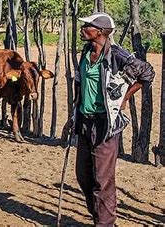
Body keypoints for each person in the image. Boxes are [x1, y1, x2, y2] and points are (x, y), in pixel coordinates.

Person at [61, 12, 154, 226]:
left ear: (101, 32)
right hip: (84, 119)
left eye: (88, 27)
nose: (83, 29)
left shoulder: (116, 55)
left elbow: (146, 73)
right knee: (84, 176)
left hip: (105, 124)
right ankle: (99, 218)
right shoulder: (85, 52)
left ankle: (105, 223)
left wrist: (123, 98)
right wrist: (73, 116)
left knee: (103, 179)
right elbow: (80, 86)